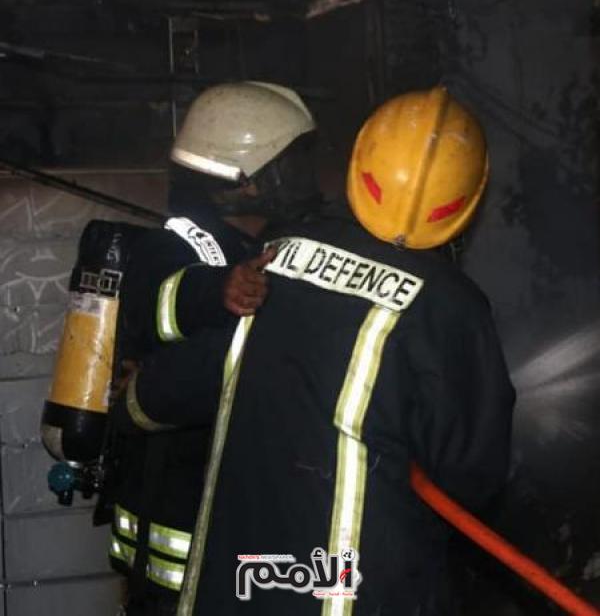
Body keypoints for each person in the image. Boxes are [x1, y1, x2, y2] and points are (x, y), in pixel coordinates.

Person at [123, 86, 515, 616]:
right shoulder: (450, 306)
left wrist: (133, 398)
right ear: (468, 202)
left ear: (359, 166)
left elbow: (198, 376)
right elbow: (470, 474)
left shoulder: (274, 258)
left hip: (235, 589)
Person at [106, 81, 318, 616]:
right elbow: (160, 300)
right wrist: (219, 290)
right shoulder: (174, 243)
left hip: (253, 530)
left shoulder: (285, 242)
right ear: (243, 181)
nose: (305, 174)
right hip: (177, 532)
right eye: (289, 162)